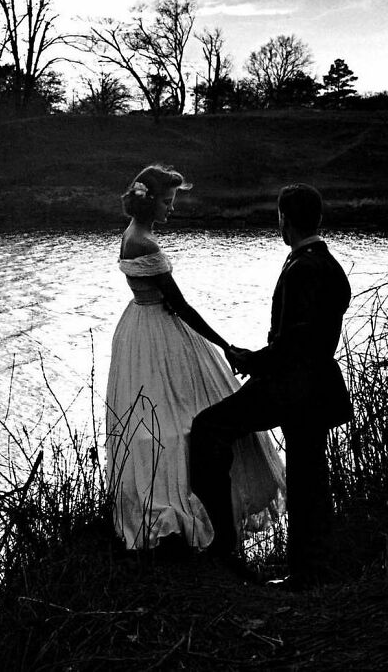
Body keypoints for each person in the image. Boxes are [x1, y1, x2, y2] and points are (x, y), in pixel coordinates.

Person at [106, 164, 285, 553]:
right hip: (158, 330)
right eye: (168, 202)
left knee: (175, 417)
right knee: (175, 419)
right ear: (150, 201)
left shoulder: (133, 235)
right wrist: (225, 344)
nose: (172, 209)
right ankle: (178, 514)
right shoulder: (144, 244)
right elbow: (181, 305)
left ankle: (195, 507)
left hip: (141, 324)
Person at [190, 183, 352, 588]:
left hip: (291, 386)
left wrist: (252, 361)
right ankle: (312, 570)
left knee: (209, 428)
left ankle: (225, 542)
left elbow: (295, 341)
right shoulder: (327, 264)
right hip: (315, 386)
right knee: (310, 475)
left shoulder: (303, 268)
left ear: (284, 219)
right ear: (317, 219)